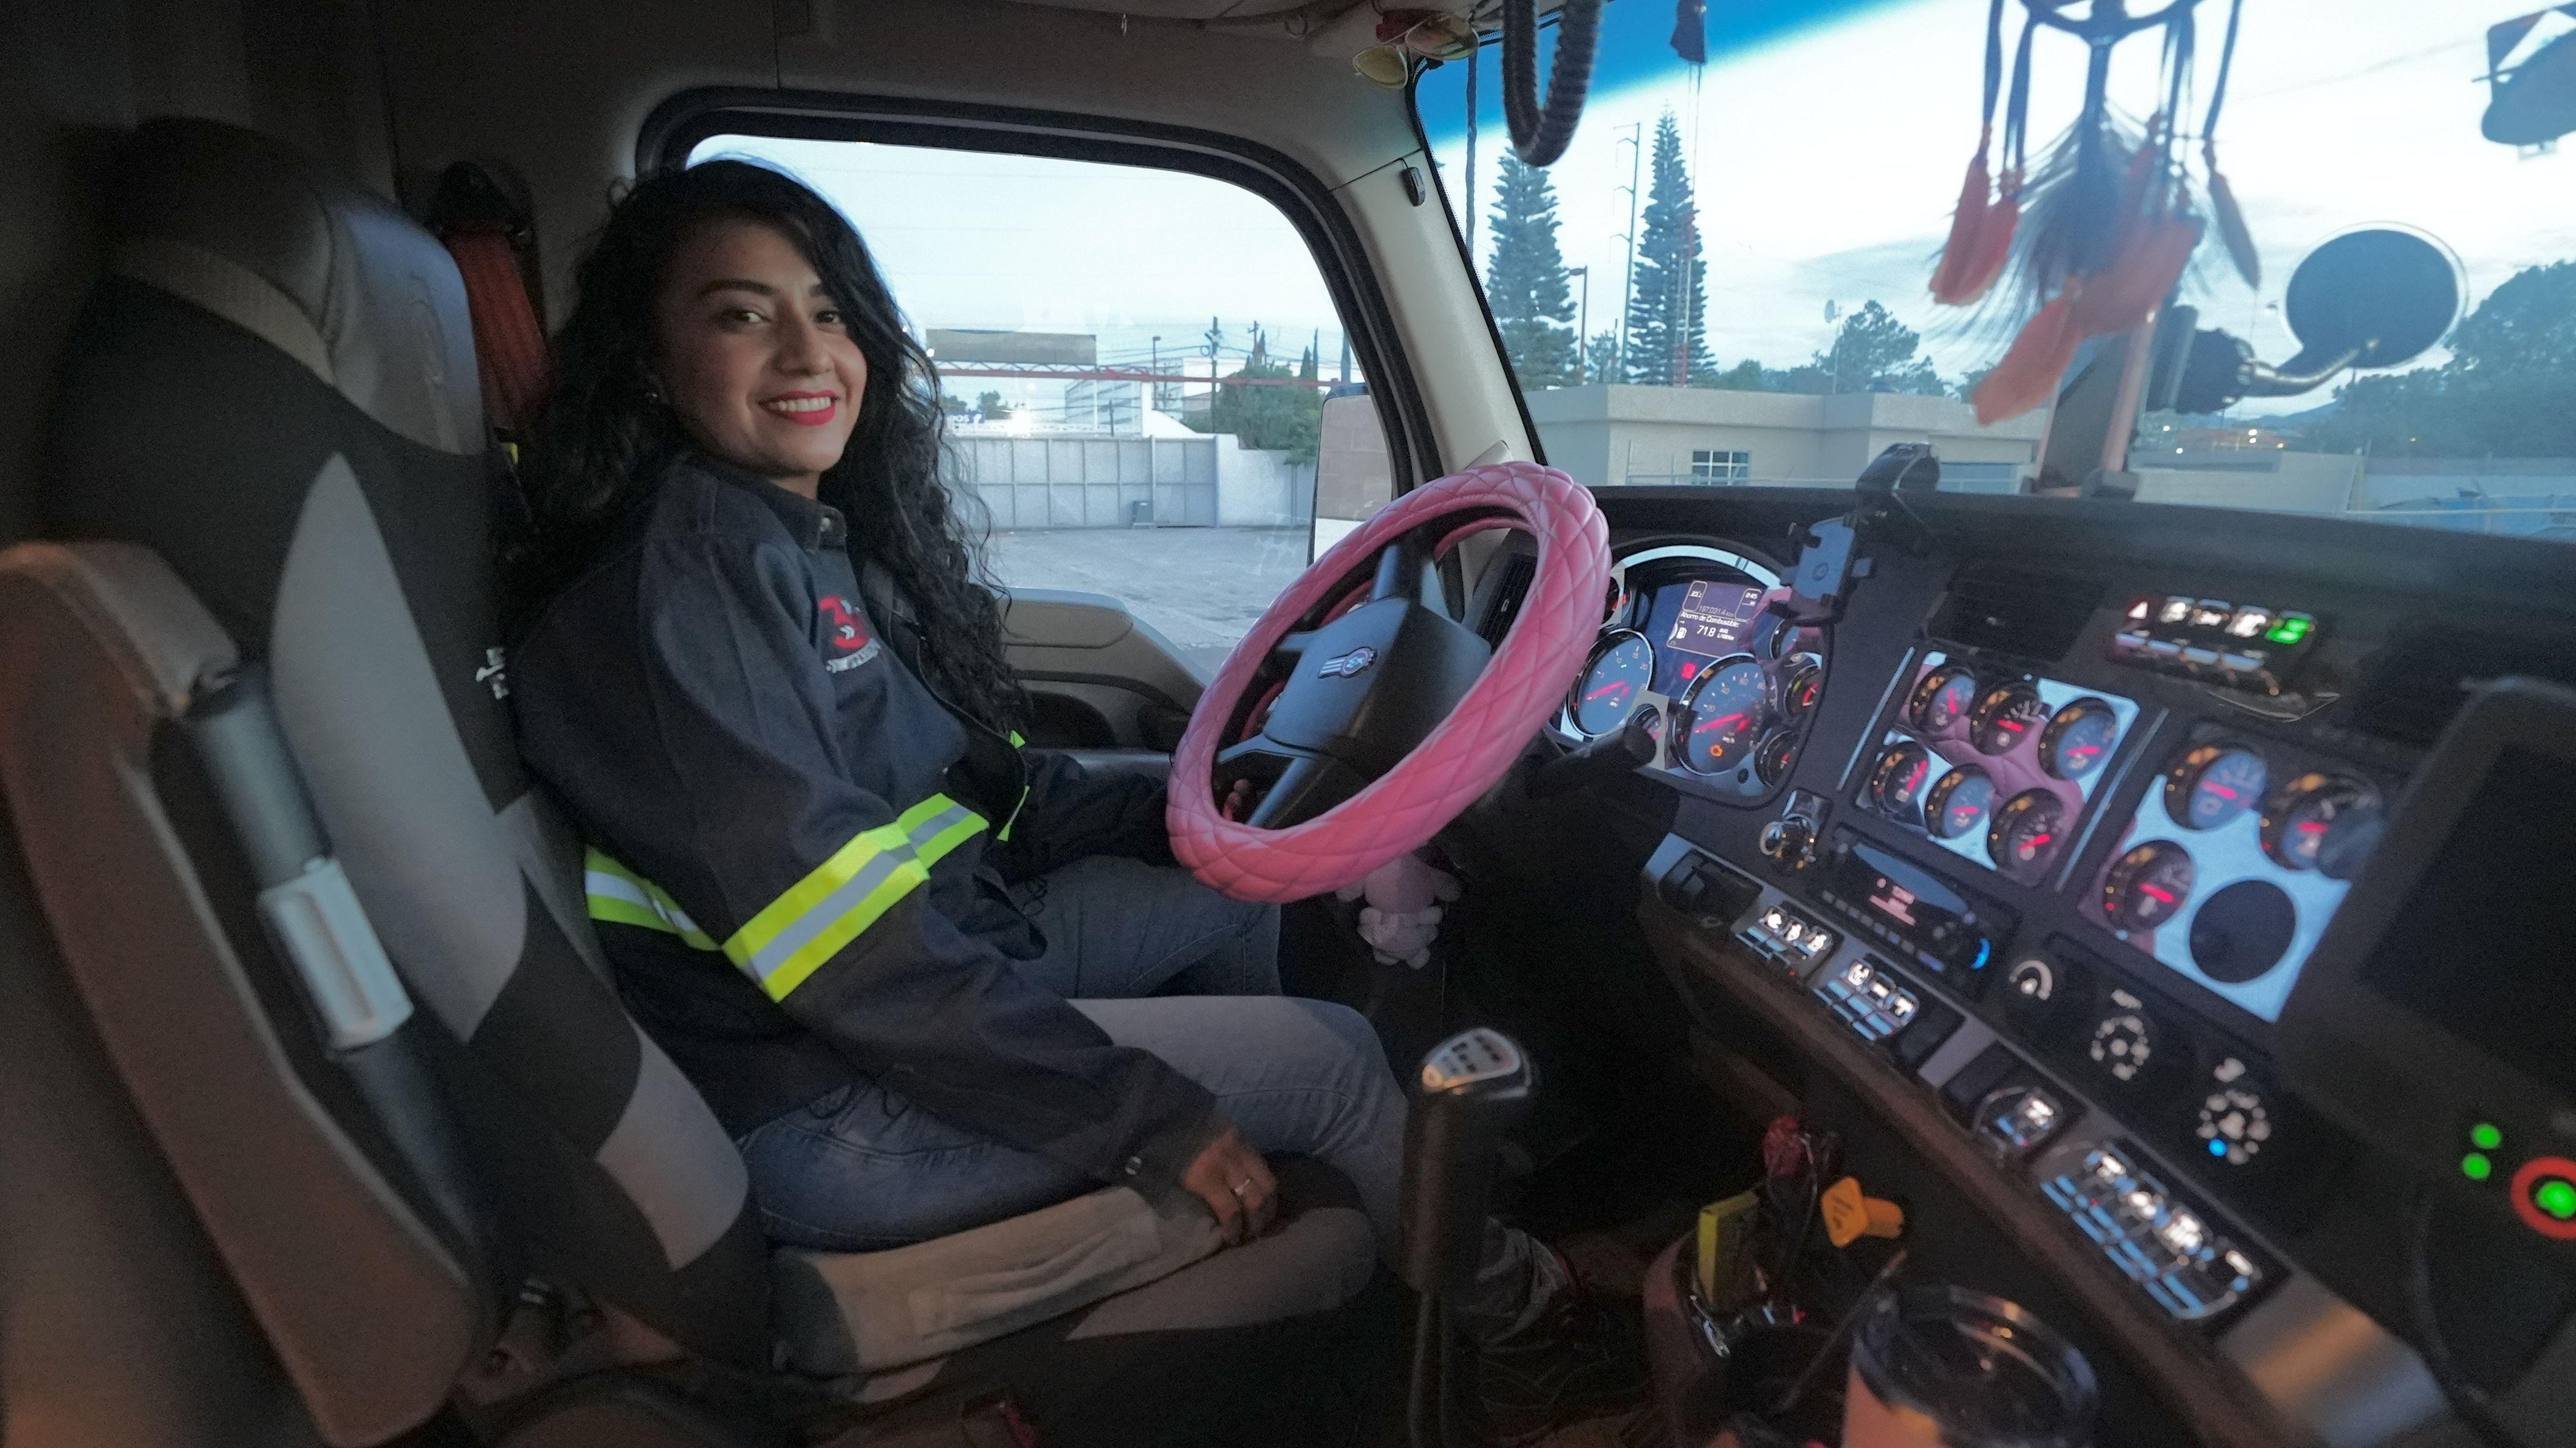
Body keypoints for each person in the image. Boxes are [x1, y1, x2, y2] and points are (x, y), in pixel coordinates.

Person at [506, 159, 1637, 1439]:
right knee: (1327, 1061)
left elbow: (988, 797)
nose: (801, 349)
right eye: (737, 313)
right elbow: (844, 946)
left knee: (1223, 883)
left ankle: (1299, 1182)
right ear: (653, 365)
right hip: (818, 1103)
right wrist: (1138, 1108)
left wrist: (1220, 810)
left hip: (929, 973)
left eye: (825, 310)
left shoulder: (793, 548)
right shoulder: (687, 592)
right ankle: (1526, 1323)